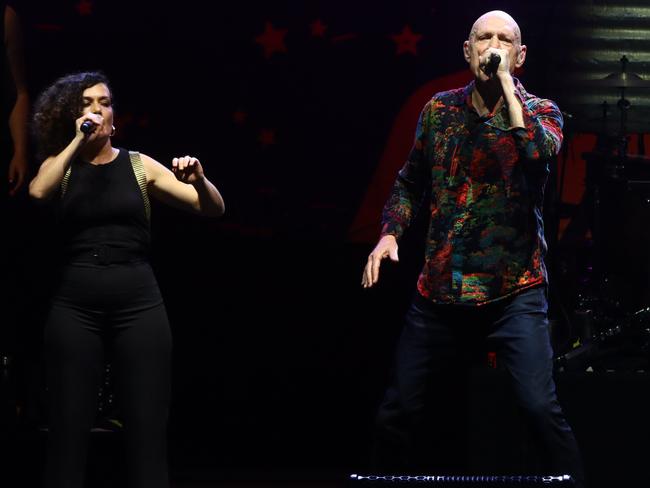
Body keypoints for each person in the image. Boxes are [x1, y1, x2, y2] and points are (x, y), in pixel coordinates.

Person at [361, 10, 584, 486]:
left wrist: (505, 89)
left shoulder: (543, 112)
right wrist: (389, 233)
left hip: (514, 292)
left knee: (540, 409)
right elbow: (410, 183)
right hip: (440, 292)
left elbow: (536, 152)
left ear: (520, 56)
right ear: (467, 51)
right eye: (484, 38)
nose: (493, 46)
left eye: (505, 40)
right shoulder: (438, 111)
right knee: (395, 412)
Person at [29, 71, 225, 488]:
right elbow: (37, 192)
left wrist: (201, 180)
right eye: (85, 104)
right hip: (74, 304)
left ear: (115, 118)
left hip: (138, 301)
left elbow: (211, 209)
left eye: (103, 102)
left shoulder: (138, 165)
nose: (96, 110)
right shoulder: (60, 166)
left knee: (147, 428)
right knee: (67, 429)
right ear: (70, 116)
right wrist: (78, 141)